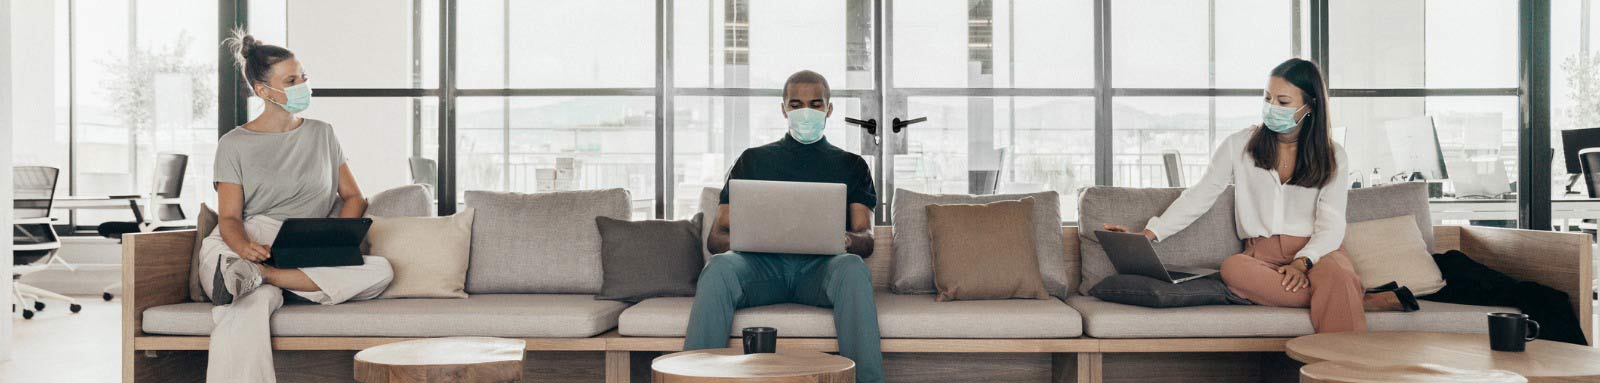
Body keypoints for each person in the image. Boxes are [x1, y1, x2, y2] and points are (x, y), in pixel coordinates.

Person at [1105, 58, 1415, 333]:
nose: (1271, 107)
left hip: (1317, 252)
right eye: (1267, 98)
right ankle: (1359, 300)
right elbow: (1199, 196)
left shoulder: (1333, 154)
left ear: (1310, 107)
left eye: (1283, 101)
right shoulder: (1239, 145)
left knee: (1337, 275)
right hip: (1260, 259)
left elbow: (1332, 223)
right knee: (1232, 270)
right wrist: (1149, 234)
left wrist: (1302, 263)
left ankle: (1340, 357)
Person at [202, 30, 394, 382]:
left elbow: (354, 197)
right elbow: (229, 217)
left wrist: (334, 237)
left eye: (303, 76)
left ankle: (264, 278)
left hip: (302, 243)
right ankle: (252, 279)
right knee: (249, 308)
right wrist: (245, 249)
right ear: (263, 92)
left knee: (381, 269)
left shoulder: (323, 133)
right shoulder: (234, 144)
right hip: (245, 243)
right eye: (290, 80)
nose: (302, 84)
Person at [684, 70, 883, 383]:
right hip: (761, 270)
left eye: (815, 105)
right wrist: (751, 236)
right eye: (796, 104)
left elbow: (867, 238)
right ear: (784, 109)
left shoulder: (852, 165)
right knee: (719, 268)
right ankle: (694, 378)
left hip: (820, 272)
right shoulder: (752, 161)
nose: (806, 112)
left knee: (853, 268)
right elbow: (715, 238)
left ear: (829, 110)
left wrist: (843, 239)